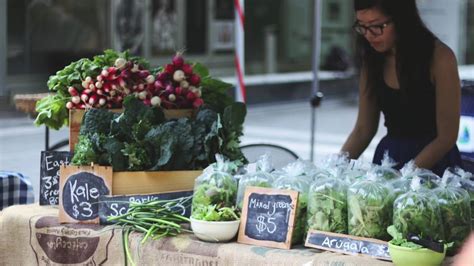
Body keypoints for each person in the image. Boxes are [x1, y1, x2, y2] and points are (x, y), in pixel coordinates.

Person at [341, 0, 462, 176]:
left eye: (377, 26)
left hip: (434, 162)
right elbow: (363, 130)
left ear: (402, 19)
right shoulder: (372, 59)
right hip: (391, 158)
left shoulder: (440, 58)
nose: (369, 35)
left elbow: (446, 137)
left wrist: (405, 176)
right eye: (362, 26)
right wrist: (334, 169)